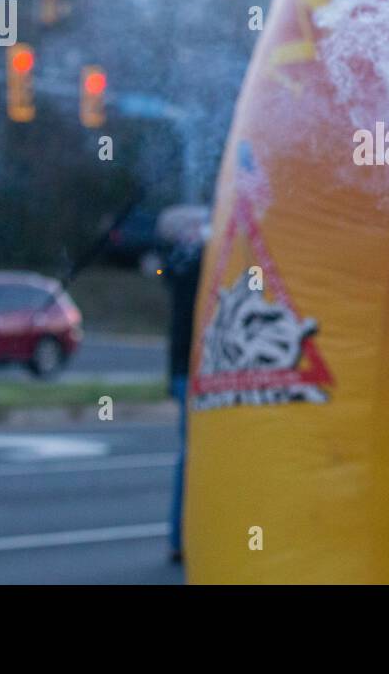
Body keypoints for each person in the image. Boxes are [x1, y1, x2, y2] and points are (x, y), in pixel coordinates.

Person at [157, 205, 208, 564]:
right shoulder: (185, 264)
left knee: (193, 453)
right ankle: (183, 536)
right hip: (192, 371)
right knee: (194, 455)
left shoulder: (178, 265)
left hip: (186, 370)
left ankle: (184, 536)